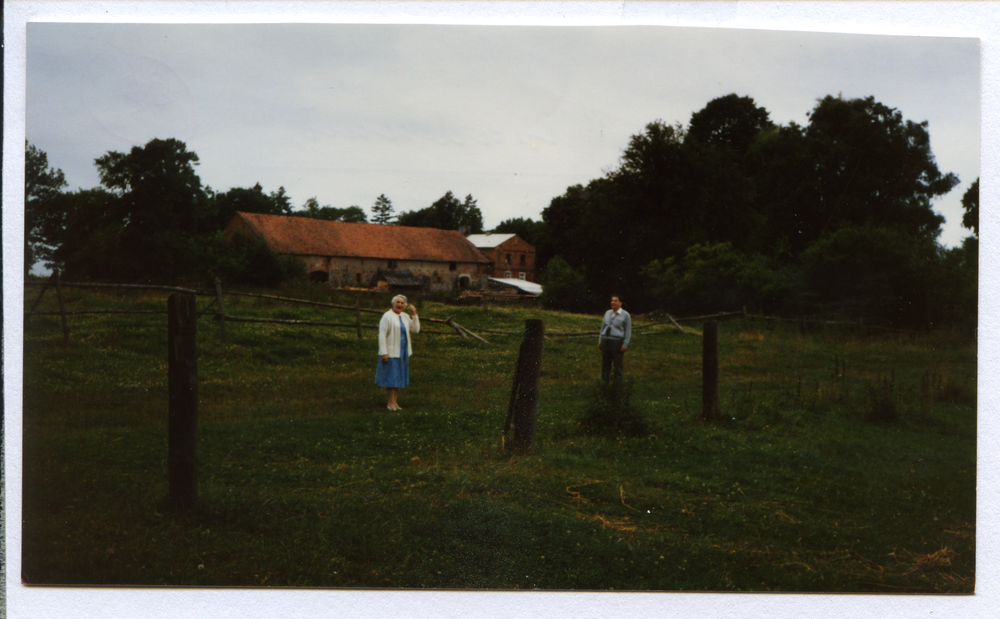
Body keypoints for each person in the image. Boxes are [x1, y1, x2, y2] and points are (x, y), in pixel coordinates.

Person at [375, 294, 420, 410]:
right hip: (391, 352)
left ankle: (395, 403)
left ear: (404, 305)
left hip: (403, 352)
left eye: (402, 303)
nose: (400, 304)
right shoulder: (387, 316)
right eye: (398, 302)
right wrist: (384, 352)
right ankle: (390, 403)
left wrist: (414, 314)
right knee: (391, 378)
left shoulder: (405, 316)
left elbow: (415, 330)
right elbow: (382, 335)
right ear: (393, 303)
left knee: (398, 378)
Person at [598, 294, 631, 385]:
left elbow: (628, 330)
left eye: (616, 300)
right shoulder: (607, 313)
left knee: (617, 365)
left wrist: (625, 344)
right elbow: (603, 327)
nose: (613, 302)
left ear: (620, 303)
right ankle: (604, 385)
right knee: (605, 365)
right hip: (606, 340)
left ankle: (617, 386)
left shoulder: (625, 315)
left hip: (617, 342)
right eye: (612, 300)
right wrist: (600, 340)